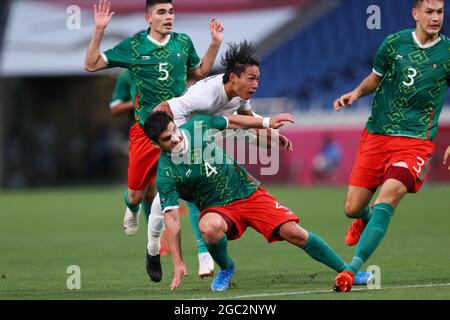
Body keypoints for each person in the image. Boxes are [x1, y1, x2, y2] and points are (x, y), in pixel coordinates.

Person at [143, 111, 373, 292]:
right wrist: (178, 262)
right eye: (167, 139)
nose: (175, 138)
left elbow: (233, 121)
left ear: (174, 123)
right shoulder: (165, 174)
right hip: (217, 208)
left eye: (173, 130)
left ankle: (348, 271)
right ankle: (227, 268)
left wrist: (266, 122)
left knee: (296, 233)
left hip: (248, 193)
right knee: (208, 227)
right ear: (157, 144)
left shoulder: (197, 125)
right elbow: (172, 220)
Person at [84, 0, 223, 274]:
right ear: (149, 18)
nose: (168, 17)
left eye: (171, 12)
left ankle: (199, 253)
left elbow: (201, 72)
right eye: (161, 12)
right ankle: (132, 208)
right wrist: (99, 30)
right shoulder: (135, 46)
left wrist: (215, 43)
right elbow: (91, 64)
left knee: (190, 189)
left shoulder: (183, 42)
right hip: (145, 133)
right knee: (137, 194)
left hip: (177, 129)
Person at [144, 41, 294, 282]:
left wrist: (274, 134)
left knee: (261, 139)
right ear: (234, 78)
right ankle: (155, 248)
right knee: (167, 200)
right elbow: (163, 108)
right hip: (186, 133)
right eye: (252, 78)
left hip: (216, 128)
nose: (255, 85)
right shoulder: (203, 96)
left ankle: (198, 252)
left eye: (257, 79)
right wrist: (161, 135)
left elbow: (246, 119)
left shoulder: (240, 96)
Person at [332, 0, 450, 292]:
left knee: (388, 198)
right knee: (352, 208)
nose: (436, 18)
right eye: (430, 12)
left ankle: (351, 269)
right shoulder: (393, 43)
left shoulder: (448, 52)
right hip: (378, 135)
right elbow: (376, 78)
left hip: (416, 142)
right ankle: (364, 218)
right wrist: (356, 93)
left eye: (440, 12)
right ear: (416, 13)